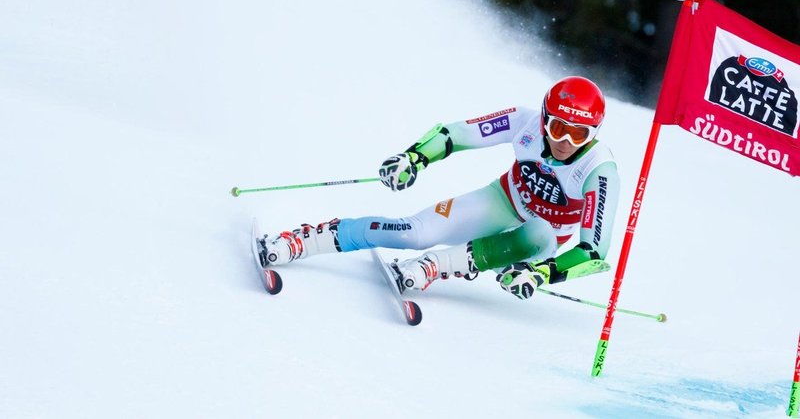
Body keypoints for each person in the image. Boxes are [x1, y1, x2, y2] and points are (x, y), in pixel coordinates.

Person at [255, 76, 620, 300]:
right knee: (415, 232)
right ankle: (307, 239)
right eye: (558, 128)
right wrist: (415, 157)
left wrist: (544, 274)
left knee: (539, 232)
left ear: (594, 134)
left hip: (539, 247)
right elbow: (457, 133)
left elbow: (593, 252)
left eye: (579, 134)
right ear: (544, 117)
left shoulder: (598, 169)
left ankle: (437, 266)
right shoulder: (524, 120)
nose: (565, 142)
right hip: (503, 201)